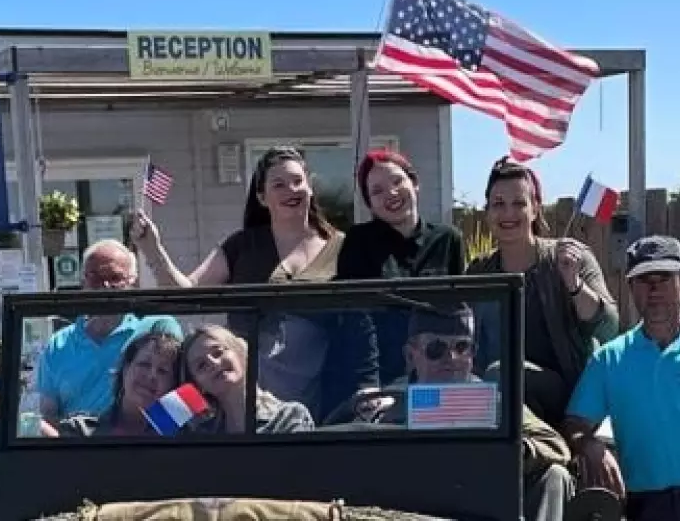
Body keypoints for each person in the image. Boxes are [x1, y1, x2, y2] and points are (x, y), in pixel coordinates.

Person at [132, 146, 378, 423]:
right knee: (159, 420)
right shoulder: (242, 246)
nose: (291, 190)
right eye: (279, 185)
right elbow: (186, 295)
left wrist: (369, 387)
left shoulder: (343, 248)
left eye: (297, 181)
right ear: (262, 197)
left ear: (310, 187)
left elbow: (364, 327)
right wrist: (152, 250)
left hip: (308, 400)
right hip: (235, 385)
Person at [564, 236, 680, 521]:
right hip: (646, 504)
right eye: (643, 279)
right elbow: (575, 424)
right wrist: (590, 446)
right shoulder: (610, 359)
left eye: (664, 278)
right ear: (630, 287)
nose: (654, 289)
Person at [373, 302, 573, 521]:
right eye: (436, 349)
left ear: (473, 354)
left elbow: (555, 445)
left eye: (461, 348)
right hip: (413, 506)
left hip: (484, 505)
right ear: (411, 356)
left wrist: (512, 451)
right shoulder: (393, 403)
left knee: (555, 476)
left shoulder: (491, 402)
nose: (451, 358)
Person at [468, 157, 618, 428]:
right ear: (487, 211)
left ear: (535, 209)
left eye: (519, 203)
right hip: (494, 405)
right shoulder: (479, 271)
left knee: (502, 372)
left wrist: (573, 283)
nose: (508, 213)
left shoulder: (570, 257)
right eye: (498, 204)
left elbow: (608, 327)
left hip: (567, 399)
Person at [336, 148, 465, 385]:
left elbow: (459, 316)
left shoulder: (448, 239)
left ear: (414, 183)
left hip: (437, 372)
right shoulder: (358, 242)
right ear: (370, 204)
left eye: (397, 181)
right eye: (377, 191)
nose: (391, 193)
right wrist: (369, 385)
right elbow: (357, 320)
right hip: (381, 376)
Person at [36, 239, 183, 425]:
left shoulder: (157, 328)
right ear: (83, 281)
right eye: (95, 277)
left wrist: (146, 436)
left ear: (132, 281)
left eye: (115, 278)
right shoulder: (58, 344)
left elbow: (187, 394)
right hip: (76, 441)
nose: (104, 286)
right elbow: (48, 414)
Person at [179, 325, 314, 435]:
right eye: (201, 365)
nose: (213, 363)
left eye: (218, 352)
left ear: (240, 354)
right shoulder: (202, 434)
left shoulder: (289, 416)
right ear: (198, 385)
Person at [48, 330, 182, 438]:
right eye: (144, 364)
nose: (151, 375)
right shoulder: (80, 431)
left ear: (172, 386)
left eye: (162, 371)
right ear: (125, 370)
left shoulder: (182, 437)